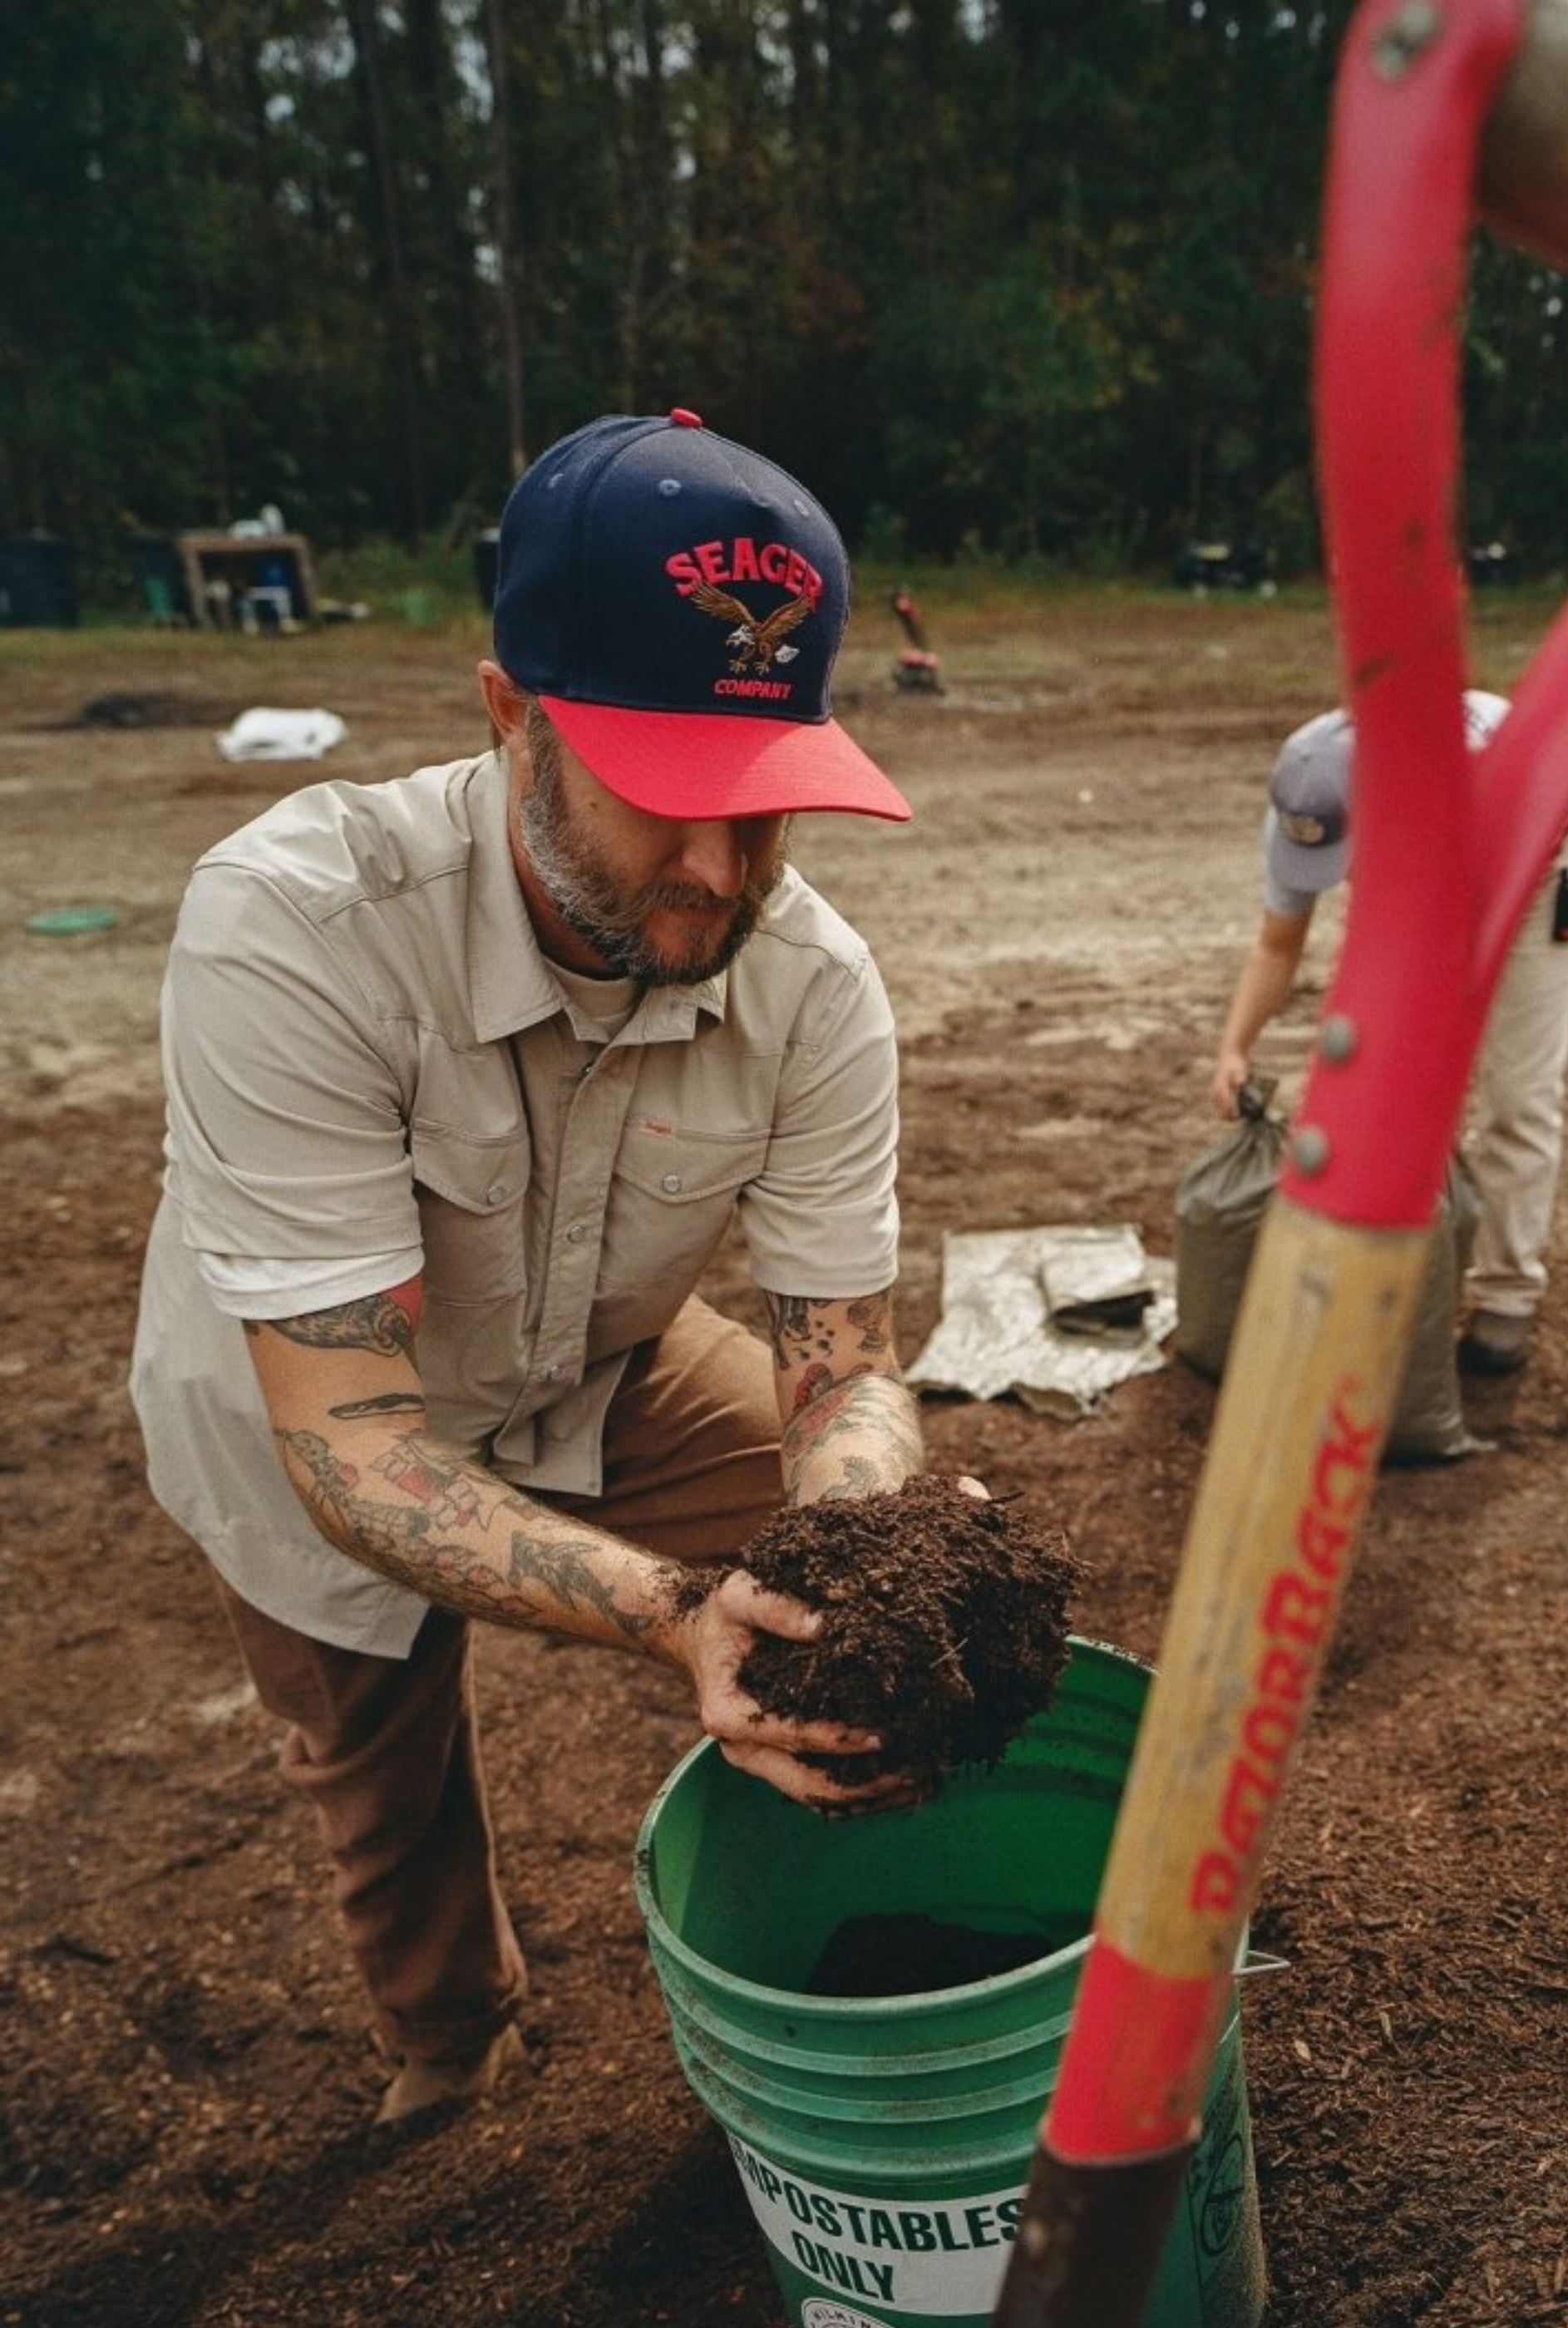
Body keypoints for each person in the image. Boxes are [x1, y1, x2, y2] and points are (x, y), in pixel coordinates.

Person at [130, 408, 965, 2125]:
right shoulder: (297, 924)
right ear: (510, 714)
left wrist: (864, 1536)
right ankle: (455, 2039)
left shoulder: (813, 983)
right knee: (384, 1777)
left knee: (884, 1579)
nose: (721, 872)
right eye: (669, 801)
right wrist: (678, 1619)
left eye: (765, 805)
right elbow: (357, 1440)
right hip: (312, 1411)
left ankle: (954, 1925)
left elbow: (843, 1364)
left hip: (601, 1356)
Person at [1210, 691, 1568, 1376]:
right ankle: (1406, 1276)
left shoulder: (1466, 790)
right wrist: (1234, 1044)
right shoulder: (1308, 804)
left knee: (1517, 1088)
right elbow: (1277, 945)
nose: (1339, 878)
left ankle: (1507, 1294)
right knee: (1398, 1078)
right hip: (1422, 854)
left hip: (1534, 848)